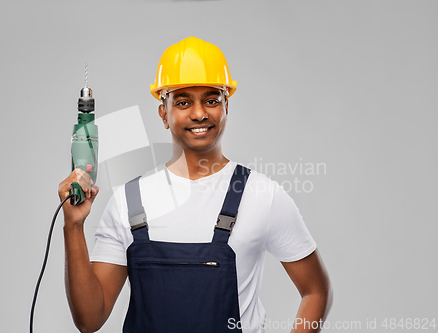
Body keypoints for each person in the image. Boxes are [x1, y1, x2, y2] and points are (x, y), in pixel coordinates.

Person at [58, 37, 333, 333]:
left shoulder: (261, 195)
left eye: (212, 100)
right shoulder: (128, 201)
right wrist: (73, 226)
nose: (199, 113)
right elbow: (89, 319)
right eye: (183, 101)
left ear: (227, 106)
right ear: (164, 113)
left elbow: (316, 291)